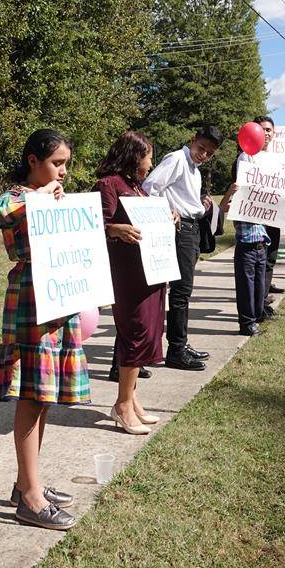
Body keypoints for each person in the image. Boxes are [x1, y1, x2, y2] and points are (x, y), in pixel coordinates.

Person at [0, 129, 88, 530]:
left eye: (66, 163)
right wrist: (41, 197)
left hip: (58, 300)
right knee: (31, 394)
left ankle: (26, 482)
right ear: (33, 161)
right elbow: (0, 210)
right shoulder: (18, 195)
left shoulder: (55, 196)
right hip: (32, 299)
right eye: (56, 163)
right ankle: (30, 500)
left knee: (44, 394)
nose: (63, 171)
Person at [94, 131, 166, 435]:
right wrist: (115, 229)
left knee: (147, 331)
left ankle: (131, 398)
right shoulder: (108, 184)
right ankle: (122, 405)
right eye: (148, 155)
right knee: (134, 334)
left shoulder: (136, 186)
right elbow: (97, 223)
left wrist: (168, 217)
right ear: (134, 154)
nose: (150, 162)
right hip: (127, 273)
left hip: (149, 271)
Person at [142, 126, 222, 371]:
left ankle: (180, 343)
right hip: (179, 230)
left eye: (209, 153)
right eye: (201, 149)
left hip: (191, 228)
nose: (204, 155)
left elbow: (181, 197)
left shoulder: (193, 169)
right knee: (180, 292)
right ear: (192, 140)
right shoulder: (177, 159)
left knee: (183, 291)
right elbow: (149, 187)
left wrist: (201, 205)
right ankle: (176, 349)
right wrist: (167, 210)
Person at [221, 156, 272, 336]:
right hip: (246, 246)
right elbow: (222, 208)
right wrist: (229, 192)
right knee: (246, 288)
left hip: (261, 246)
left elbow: (276, 211)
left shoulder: (262, 192)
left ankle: (256, 316)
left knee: (258, 287)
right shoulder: (238, 192)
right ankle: (246, 323)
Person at [252, 116, 285, 296]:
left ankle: (263, 301)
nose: (265, 133)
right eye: (261, 129)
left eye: (269, 130)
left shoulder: (278, 159)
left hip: (273, 215)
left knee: (270, 259)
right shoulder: (247, 156)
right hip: (255, 218)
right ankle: (256, 305)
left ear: (273, 133)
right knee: (257, 262)